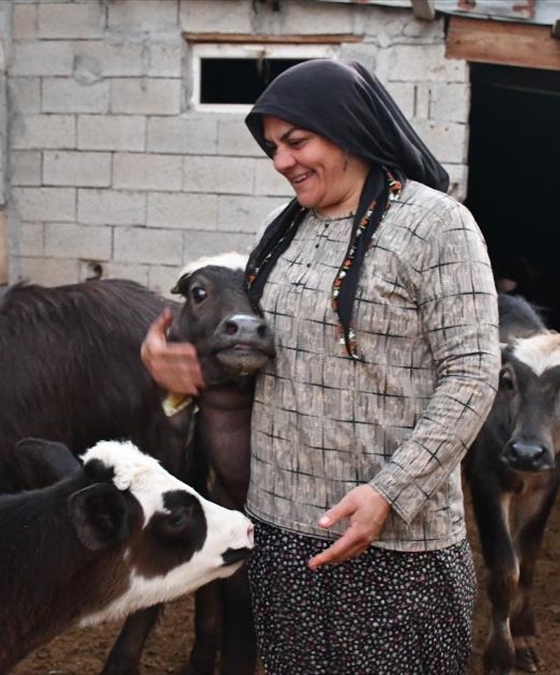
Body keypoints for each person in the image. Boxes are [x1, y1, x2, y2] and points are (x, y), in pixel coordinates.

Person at [141, 58, 499, 674]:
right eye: (273, 148)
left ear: (347, 131)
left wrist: (389, 492)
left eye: (297, 142)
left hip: (397, 543)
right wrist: (177, 369)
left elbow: (471, 373)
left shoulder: (436, 224)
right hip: (281, 535)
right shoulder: (281, 232)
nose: (282, 161)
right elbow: (259, 355)